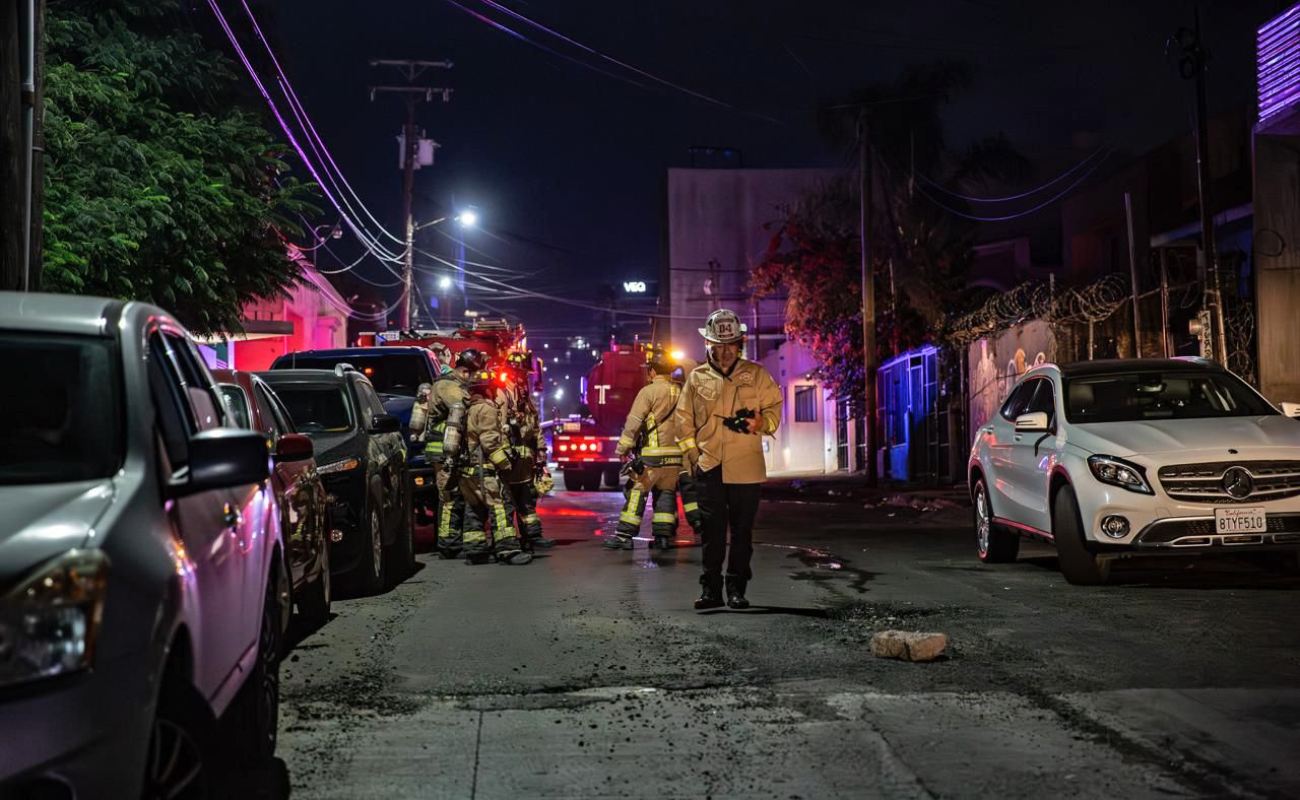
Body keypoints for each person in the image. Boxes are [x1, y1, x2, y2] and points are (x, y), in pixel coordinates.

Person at [675, 309, 782, 610]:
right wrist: (694, 455)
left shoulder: (757, 375)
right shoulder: (696, 378)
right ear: (707, 345)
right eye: (716, 346)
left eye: (729, 345)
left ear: (740, 344)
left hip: (746, 467)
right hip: (709, 466)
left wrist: (760, 423)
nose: (723, 352)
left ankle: (737, 588)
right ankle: (711, 590)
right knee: (711, 532)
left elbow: (775, 407)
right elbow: (684, 419)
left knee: (742, 533)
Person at [606, 344, 684, 551]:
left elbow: (634, 422)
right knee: (666, 494)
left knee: (636, 492)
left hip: (652, 457)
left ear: (652, 370)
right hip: (675, 458)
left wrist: (622, 449)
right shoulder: (681, 391)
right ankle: (663, 538)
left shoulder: (648, 391)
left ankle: (624, 536)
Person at [410, 347, 481, 559]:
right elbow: (464, 407)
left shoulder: (445, 383)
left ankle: (452, 542)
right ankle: (448, 545)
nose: (474, 380)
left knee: (455, 496)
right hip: (444, 452)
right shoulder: (449, 386)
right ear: (465, 372)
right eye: (473, 375)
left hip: (449, 451)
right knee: (449, 497)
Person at [462, 369, 533, 565]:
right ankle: (507, 550)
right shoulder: (486, 409)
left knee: (474, 509)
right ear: (488, 390)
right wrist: (505, 464)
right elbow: (490, 443)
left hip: (467, 471)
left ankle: (475, 551)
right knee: (501, 506)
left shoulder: (466, 408)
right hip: (485, 470)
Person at [497, 351, 555, 550]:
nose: (525, 377)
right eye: (522, 373)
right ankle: (508, 541)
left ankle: (532, 536)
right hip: (510, 461)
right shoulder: (502, 394)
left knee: (527, 500)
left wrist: (540, 452)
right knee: (507, 502)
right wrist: (504, 457)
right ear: (512, 372)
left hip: (525, 462)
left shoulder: (524, 395)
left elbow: (535, 426)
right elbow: (499, 428)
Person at [670, 360, 704, 540]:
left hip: (666, 455)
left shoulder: (657, 395)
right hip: (683, 454)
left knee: (666, 492)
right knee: (689, 489)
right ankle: (697, 522)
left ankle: (669, 526)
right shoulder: (689, 397)